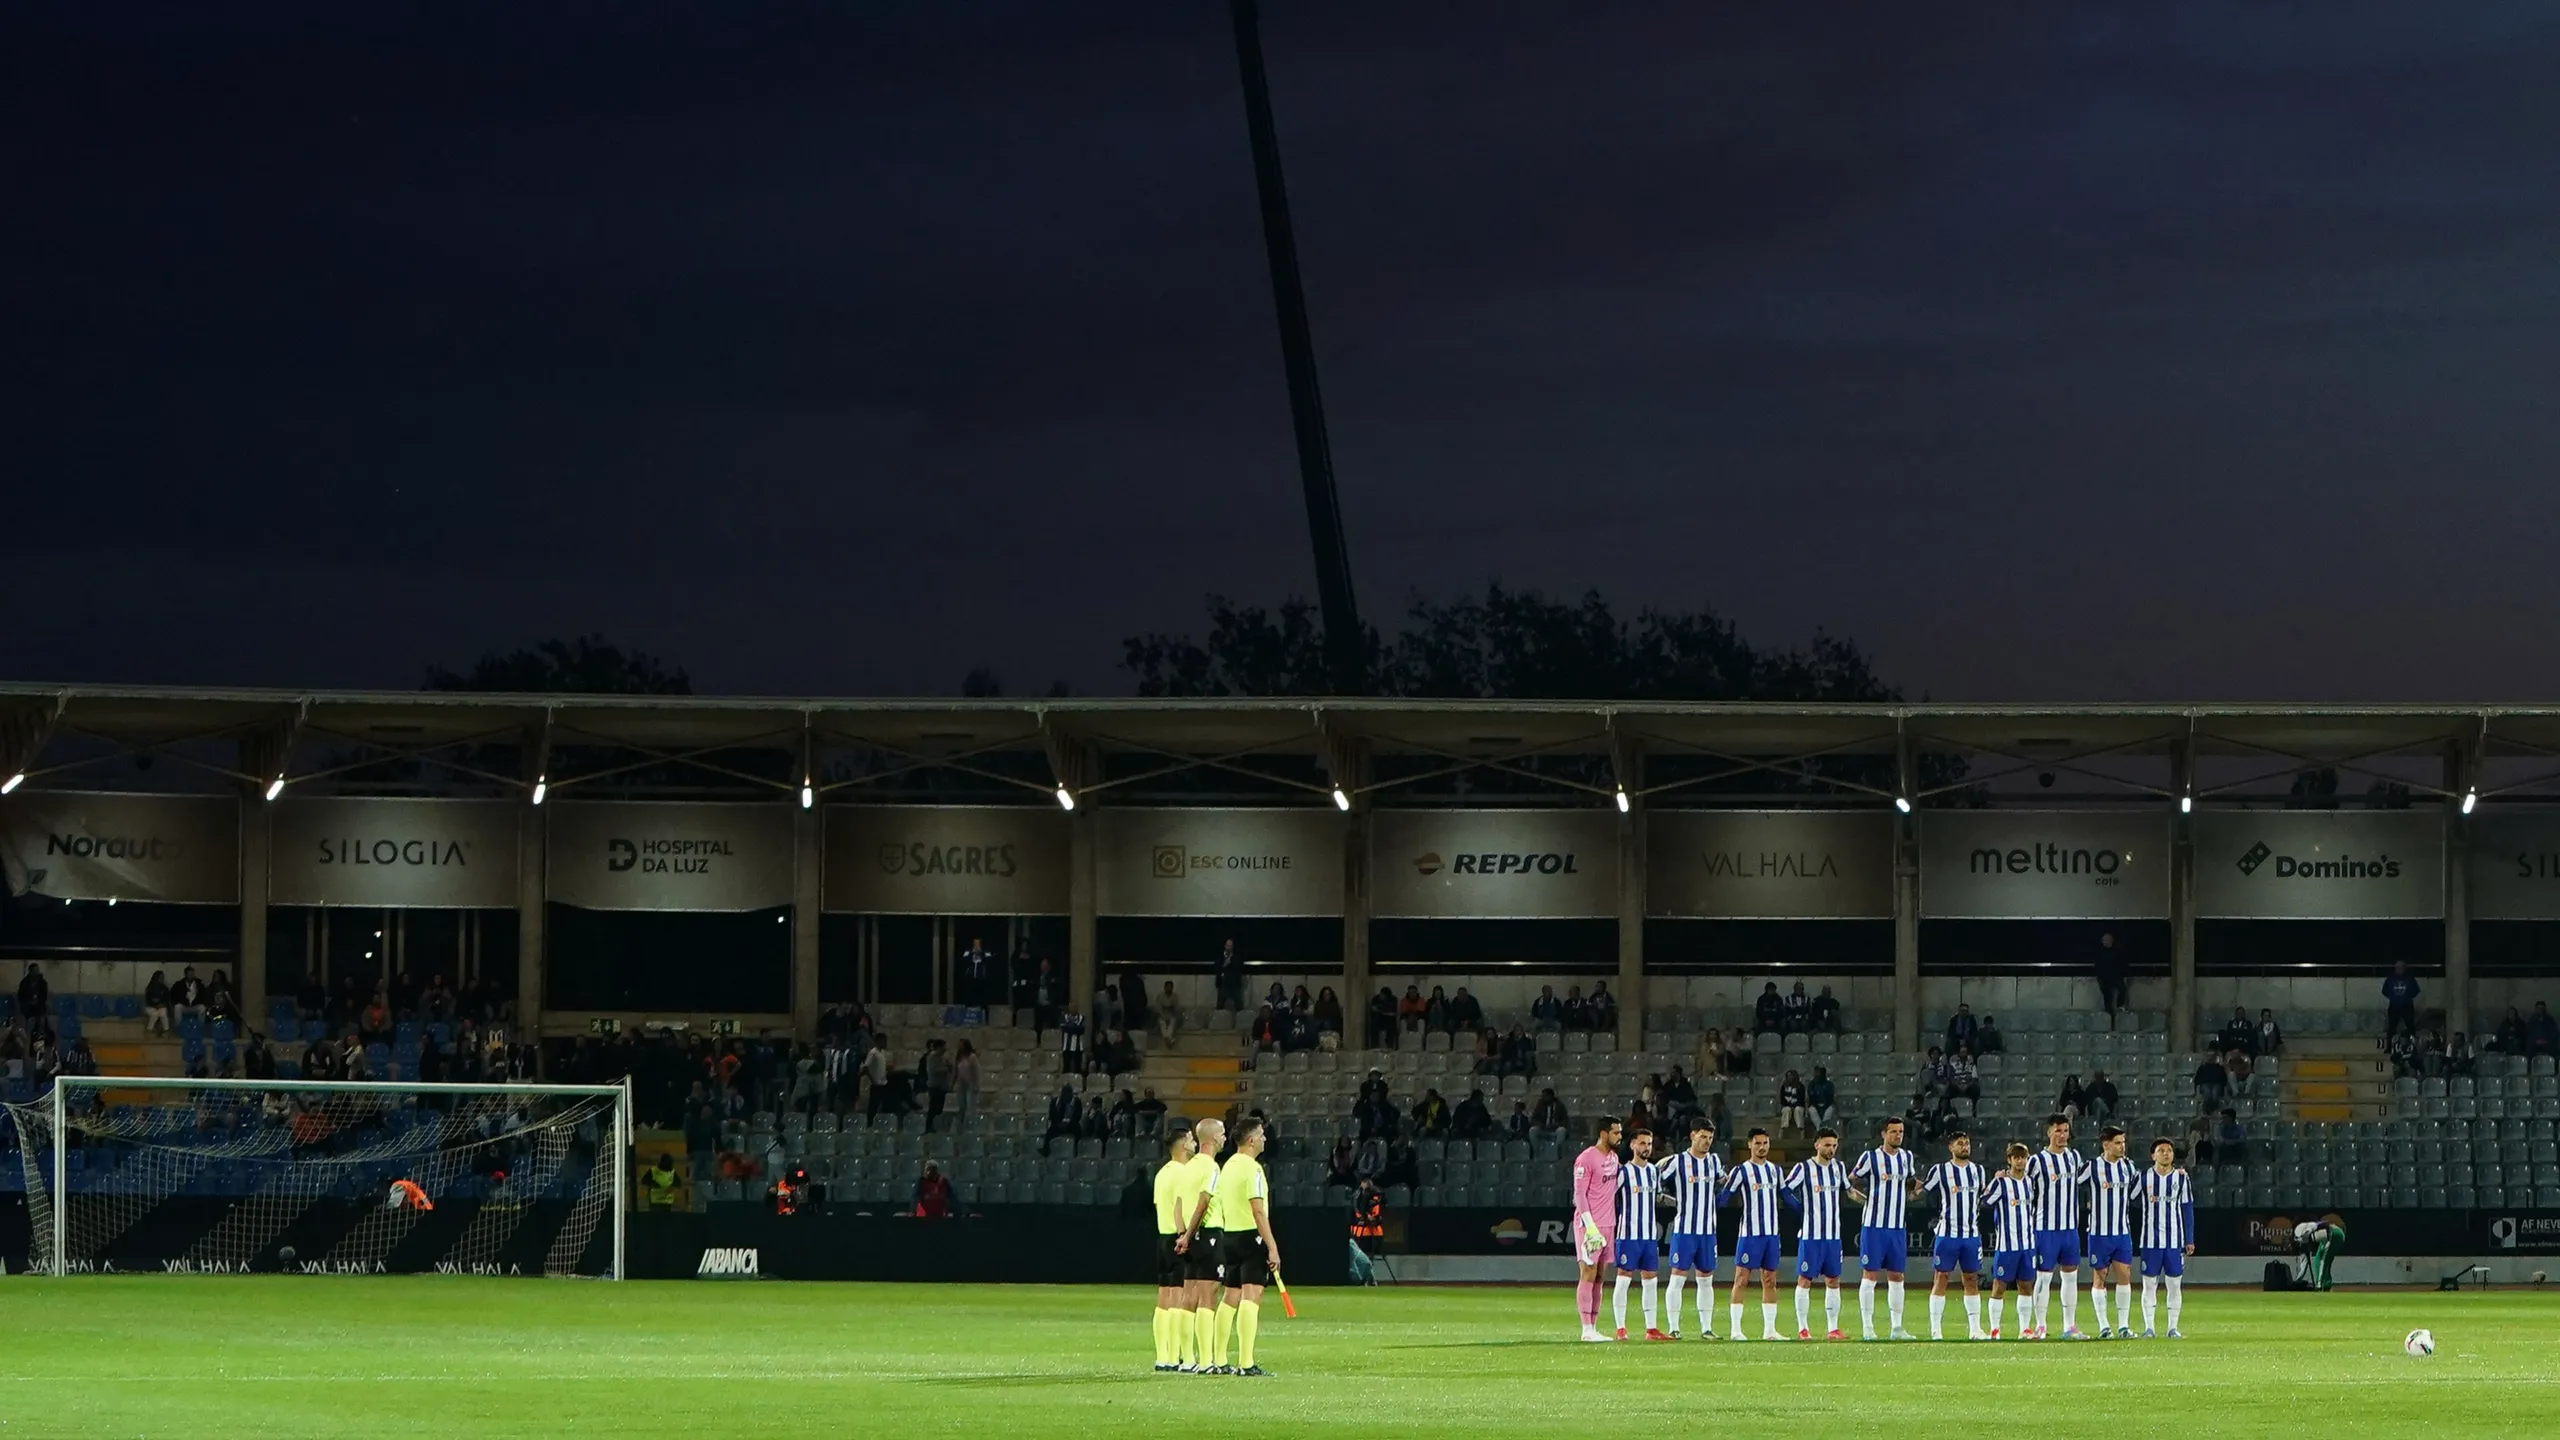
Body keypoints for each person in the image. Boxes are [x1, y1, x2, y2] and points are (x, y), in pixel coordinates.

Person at [1210, 1117, 1280, 1376]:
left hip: (1230, 1236)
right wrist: (1272, 1246)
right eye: (1261, 1135)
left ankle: (1218, 1360)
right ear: (1250, 1140)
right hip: (1252, 1236)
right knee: (1252, 1296)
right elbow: (1258, 1210)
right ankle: (1246, 1362)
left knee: (1230, 1296)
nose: (1264, 1139)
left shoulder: (1227, 1167)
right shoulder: (1253, 1169)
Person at [1848, 1118, 1919, 1341]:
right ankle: (1868, 1327)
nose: (1898, 1135)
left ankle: (1896, 1327)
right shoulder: (1870, 1157)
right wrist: (1863, 1200)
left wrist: (1913, 1193)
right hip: (1874, 1226)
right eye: (1893, 1132)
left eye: (1901, 1132)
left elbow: (1910, 1182)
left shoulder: (1906, 1157)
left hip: (1897, 1227)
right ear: (1883, 1134)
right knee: (1870, 1275)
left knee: (1897, 1275)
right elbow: (1850, 1181)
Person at [1659, 1120, 1725, 1339]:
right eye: (1703, 1137)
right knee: (1677, 1277)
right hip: (1684, 1230)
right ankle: (1673, 1328)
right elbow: (1656, 1177)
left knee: (1706, 1278)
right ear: (1692, 1135)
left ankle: (1706, 1328)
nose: (1707, 1142)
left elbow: (1722, 1180)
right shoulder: (1678, 1161)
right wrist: (1664, 1198)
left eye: (1710, 1138)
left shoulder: (1714, 1161)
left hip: (1708, 1231)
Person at [1783, 1128, 1851, 1340]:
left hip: (1833, 1236)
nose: (1831, 1149)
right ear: (1817, 1145)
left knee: (1834, 1280)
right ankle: (1803, 1328)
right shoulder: (1803, 1168)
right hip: (1811, 1236)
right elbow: (1785, 1190)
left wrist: (1869, 1202)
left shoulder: (1838, 1167)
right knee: (1805, 1280)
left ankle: (1833, 1328)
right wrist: (1800, 1209)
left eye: (1834, 1145)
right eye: (1827, 1145)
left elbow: (1848, 1190)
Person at [2028, 1114, 2091, 1340]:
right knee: (2043, 1277)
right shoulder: (2036, 1161)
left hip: (2069, 1228)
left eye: (2065, 1131)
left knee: (2070, 1277)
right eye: (2058, 1131)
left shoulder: (2074, 1157)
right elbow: (2025, 1188)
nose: (2063, 1135)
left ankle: (2069, 1326)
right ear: (2048, 1133)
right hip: (2045, 1228)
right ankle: (2041, 1325)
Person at [1922, 1131, 1989, 1341]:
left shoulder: (1978, 1171)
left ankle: (1975, 1329)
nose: (1965, 1147)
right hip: (1947, 1234)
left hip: (1971, 1234)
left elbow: (1985, 1196)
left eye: (1967, 1143)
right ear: (1950, 1147)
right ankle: (1936, 1330)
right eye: (1960, 1144)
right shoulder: (1940, 1170)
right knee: (1941, 1278)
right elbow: (1922, 1191)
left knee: (1971, 1279)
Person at [1721, 1127, 1787, 1341]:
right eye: (1757, 1143)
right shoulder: (1741, 1171)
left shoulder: (1775, 1171)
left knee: (1770, 1280)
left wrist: (1805, 1210)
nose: (1762, 1147)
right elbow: (1724, 1197)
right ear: (1749, 1144)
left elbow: (1786, 1196)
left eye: (1765, 1143)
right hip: (1750, 1234)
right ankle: (1736, 1330)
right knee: (1742, 1279)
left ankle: (1770, 1330)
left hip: (1771, 1234)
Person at [1151, 1122, 1204, 1372]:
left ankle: (1163, 1356)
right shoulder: (1183, 1172)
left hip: (1162, 1236)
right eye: (1192, 1140)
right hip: (1177, 1235)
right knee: (1180, 1297)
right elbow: (1179, 1206)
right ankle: (1177, 1355)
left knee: (1164, 1297)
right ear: (1183, 1144)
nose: (1194, 1144)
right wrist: (1185, 1234)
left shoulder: (1162, 1173)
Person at [1570, 1116, 1624, 1342]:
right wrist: (1590, 1226)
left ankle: (1593, 1326)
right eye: (1616, 1133)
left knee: (1601, 1276)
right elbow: (1580, 1194)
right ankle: (1585, 1329)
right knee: (1588, 1273)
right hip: (1589, 1225)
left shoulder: (1614, 1157)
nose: (1620, 1137)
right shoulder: (1586, 1159)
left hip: (1609, 1224)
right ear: (1603, 1134)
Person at [2084, 1127, 2141, 1338]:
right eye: (2118, 1143)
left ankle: (2124, 1326)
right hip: (2099, 1232)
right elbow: (2071, 1186)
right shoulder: (2091, 1167)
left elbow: (2138, 1188)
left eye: (2123, 1142)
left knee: (2125, 1275)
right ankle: (2104, 1326)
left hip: (2122, 1231)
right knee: (2100, 1277)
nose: (2122, 1146)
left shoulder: (2128, 1166)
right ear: (2105, 1145)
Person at [1612, 1126, 1666, 1341]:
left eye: (1649, 1144)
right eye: (1642, 1143)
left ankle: (1651, 1329)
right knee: (1623, 1279)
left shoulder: (1653, 1171)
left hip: (1649, 1236)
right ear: (1632, 1144)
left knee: (1650, 1280)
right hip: (1628, 1234)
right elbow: (1609, 1199)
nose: (1646, 1148)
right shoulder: (1624, 1172)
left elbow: (1658, 1196)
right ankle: (1620, 1328)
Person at [2138, 1137, 2196, 1338]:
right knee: (2149, 1285)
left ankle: (2173, 1328)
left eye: (2169, 1150)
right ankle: (2149, 1328)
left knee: (2174, 1285)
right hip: (2150, 1242)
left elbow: (2187, 1209)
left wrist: (2189, 1239)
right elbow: (2127, 1198)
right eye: (2161, 1150)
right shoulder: (2144, 1178)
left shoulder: (2181, 1178)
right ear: (2153, 1155)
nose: (2166, 1153)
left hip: (2174, 1242)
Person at [1984, 1143, 2039, 1340]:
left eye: (2023, 1157)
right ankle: (1995, 1329)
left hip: (2027, 1244)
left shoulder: (2030, 1182)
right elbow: (1985, 1200)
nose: (2020, 1161)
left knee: (2026, 1286)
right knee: (1999, 1286)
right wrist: (1993, 1181)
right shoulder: (2002, 1183)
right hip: (2007, 1245)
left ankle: (2025, 1329)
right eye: (2016, 1157)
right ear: (2009, 1160)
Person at [2094, 931, 2128, 1023]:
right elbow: (2097, 965)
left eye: (2106, 940)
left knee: (2122, 988)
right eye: (2103, 940)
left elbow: (2122, 964)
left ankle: (2120, 1007)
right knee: (2108, 997)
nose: (2104, 942)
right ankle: (2110, 1018)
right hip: (2104, 978)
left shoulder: (2117, 950)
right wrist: (2100, 978)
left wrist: (2122, 974)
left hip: (2115, 976)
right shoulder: (2100, 952)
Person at [2382, 961, 2421, 1038]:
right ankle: (2389, 1046)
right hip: (2394, 1007)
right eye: (2398, 968)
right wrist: (2393, 998)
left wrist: (2408, 997)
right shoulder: (2390, 978)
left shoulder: (2409, 978)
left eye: (2401, 968)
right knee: (2391, 1027)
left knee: (2411, 1026)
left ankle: (2414, 1045)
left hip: (2407, 1006)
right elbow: (2385, 991)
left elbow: (2416, 990)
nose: (2399, 969)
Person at [1214, 940, 1244, 1013]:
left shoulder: (1236, 956)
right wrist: (1225, 964)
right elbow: (1217, 967)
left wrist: (1231, 960)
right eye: (1227, 945)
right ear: (1224, 946)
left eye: (1230, 946)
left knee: (1238, 1005)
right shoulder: (1220, 956)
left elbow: (1239, 966)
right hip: (1223, 983)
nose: (1229, 947)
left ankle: (1240, 1020)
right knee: (1220, 1004)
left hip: (1234, 984)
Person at [1776, 1069, 1809, 1137]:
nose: (1789, 1077)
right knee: (1786, 1110)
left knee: (1798, 1110)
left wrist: (1793, 1106)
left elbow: (1801, 1099)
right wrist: (1790, 1106)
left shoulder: (1800, 1086)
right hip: (1787, 1106)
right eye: (1788, 1076)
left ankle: (1801, 1130)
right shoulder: (1783, 1087)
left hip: (1798, 1106)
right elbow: (1782, 1100)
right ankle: (1782, 1129)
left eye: (1791, 1076)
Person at [142, 970, 172, 1036]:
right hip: (150, 1007)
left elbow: (167, 1000)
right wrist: (156, 1005)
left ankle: (166, 1030)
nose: (162, 978)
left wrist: (162, 1004)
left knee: (163, 1012)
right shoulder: (150, 988)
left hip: (161, 1007)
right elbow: (149, 1001)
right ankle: (149, 1029)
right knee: (154, 1014)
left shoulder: (165, 988)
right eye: (161, 977)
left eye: (163, 977)